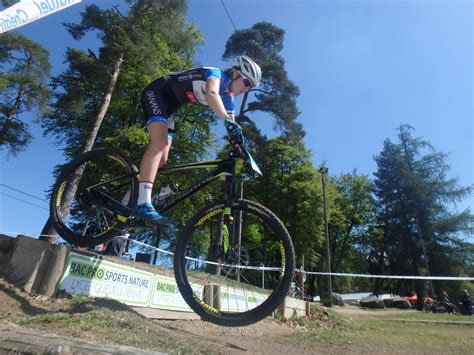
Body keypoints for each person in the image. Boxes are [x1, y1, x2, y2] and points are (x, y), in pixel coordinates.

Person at [134, 55, 262, 223]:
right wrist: (227, 120)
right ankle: (143, 202)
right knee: (159, 143)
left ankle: (132, 196)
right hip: (157, 92)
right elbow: (211, 94)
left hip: (170, 108)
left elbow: (233, 129)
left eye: (250, 87)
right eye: (246, 83)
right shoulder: (215, 74)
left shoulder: (228, 98)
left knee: (163, 159)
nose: (246, 89)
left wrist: (242, 149)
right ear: (235, 73)